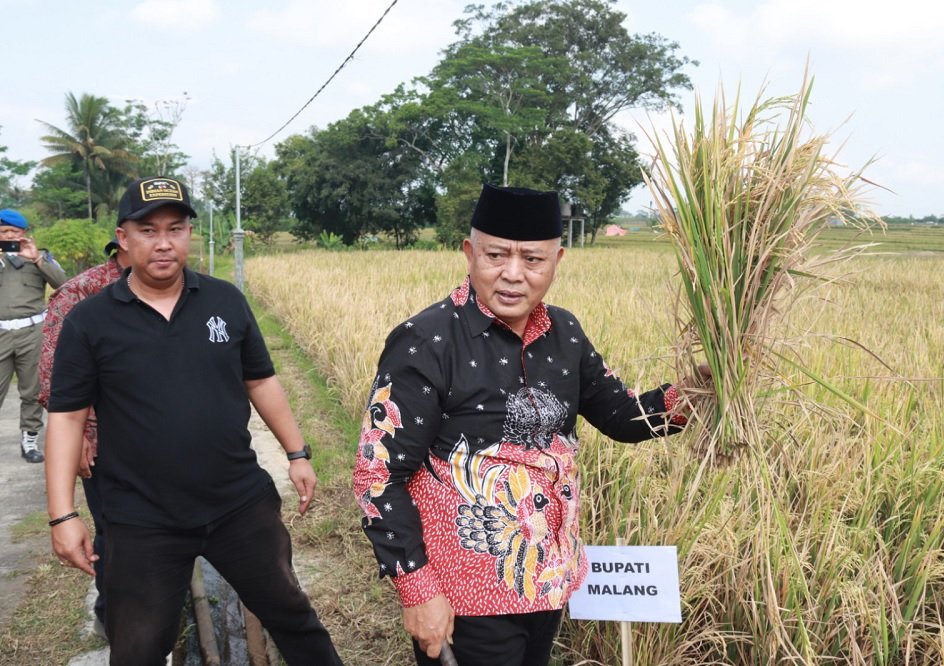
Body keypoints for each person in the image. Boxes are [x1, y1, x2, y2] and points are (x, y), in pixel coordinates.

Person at [353, 183, 699, 665]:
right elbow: (378, 474)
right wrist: (416, 588)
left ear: (557, 260)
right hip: (465, 597)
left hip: (548, 580)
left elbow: (620, 416)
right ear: (469, 254)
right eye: (496, 255)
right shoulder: (426, 342)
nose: (513, 275)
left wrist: (697, 393)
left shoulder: (566, 333)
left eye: (533, 260)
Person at [44, 177, 343, 666]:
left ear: (190, 233)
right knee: (138, 647)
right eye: (147, 230)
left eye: (176, 228)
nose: (163, 243)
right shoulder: (90, 321)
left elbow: (261, 381)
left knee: (292, 614)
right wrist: (63, 514)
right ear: (123, 238)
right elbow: (66, 417)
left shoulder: (225, 301)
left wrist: (296, 453)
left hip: (238, 505)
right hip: (142, 519)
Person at [37, 237, 130, 640]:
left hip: (151, 433)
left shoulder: (171, 289)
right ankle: (115, 616)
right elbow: (51, 379)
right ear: (122, 243)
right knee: (115, 530)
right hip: (102, 437)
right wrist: (84, 434)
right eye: (146, 234)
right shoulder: (80, 292)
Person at [0, 208, 66, 463]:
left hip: (32, 333)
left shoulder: (41, 257)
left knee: (32, 390)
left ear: (24, 233)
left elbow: (64, 283)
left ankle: (30, 441)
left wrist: (37, 258)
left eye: (13, 232)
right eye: (3, 232)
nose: (8, 236)